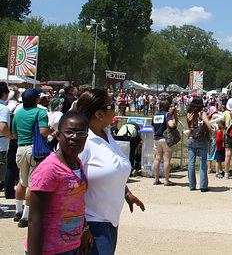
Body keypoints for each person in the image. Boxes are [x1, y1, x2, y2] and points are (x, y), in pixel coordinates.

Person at [75, 89, 145, 255]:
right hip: (92, 222)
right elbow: (70, 187)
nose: (115, 109)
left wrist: (126, 193)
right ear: (99, 114)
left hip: (110, 220)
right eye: (111, 105)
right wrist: (84, 227)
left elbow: (112, 169)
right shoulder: (83, 143)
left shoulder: (106, 134)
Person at [28, 110, 93, 255]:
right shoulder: (49, 169)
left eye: (81, 133)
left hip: (73, 247)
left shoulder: (77, 164)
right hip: (50, 250)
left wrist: (85, 230)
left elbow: (76, 203)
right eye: (69, 132)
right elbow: (34, 220)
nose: (75, 137)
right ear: (58, 135)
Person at [12, 87, 50, 228]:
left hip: (20, 148)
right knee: (32, 183)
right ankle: (26, 217)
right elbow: (43, 131)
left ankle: (18, 211)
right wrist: (51, 130)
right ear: (37, 99)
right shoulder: (40, 112)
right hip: (35, 150)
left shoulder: (18, 113)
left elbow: (14, 134)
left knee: (22, 181)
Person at [186, 96, 211, 192]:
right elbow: (208, 125)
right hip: (201, 139)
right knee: (203, 162)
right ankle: (203, 185)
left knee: (191, 162)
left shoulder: (188, 113)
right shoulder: (201, 113)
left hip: (191, 138)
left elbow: (188, 126)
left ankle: (192, 184)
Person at [152, 99, 177, 186]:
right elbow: (171, 125)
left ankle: (156, 179)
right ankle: (166, 180)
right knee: (166, 160)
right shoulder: (168, 115)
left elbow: (153, 129)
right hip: (165, 139)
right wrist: (173, 122)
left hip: (156, 138)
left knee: (157, 159)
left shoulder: (155, 115)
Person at [0, 82, 15, 218]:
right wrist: (11, 135)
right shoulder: (3, 109)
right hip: (1, 146)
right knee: (0, 179)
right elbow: (3, 127)